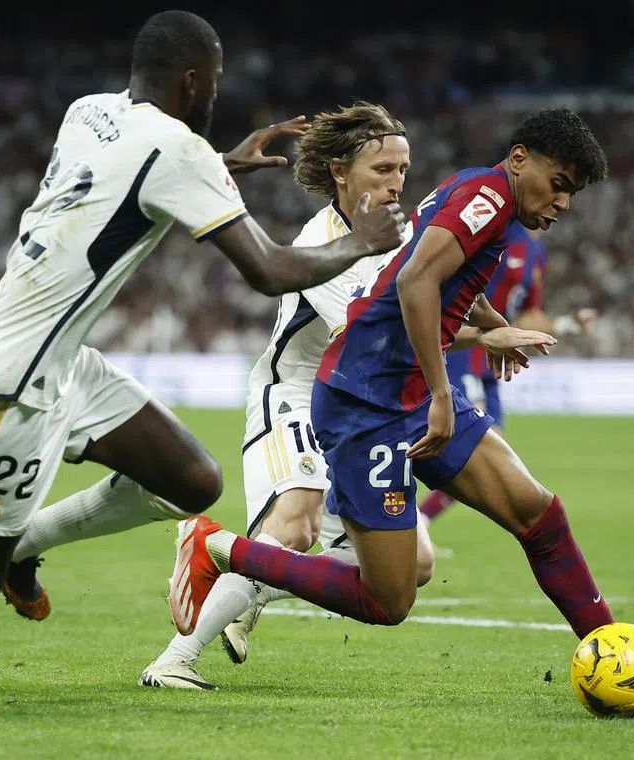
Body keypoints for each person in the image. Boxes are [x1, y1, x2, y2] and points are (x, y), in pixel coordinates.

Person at [0, 10, 406, 710]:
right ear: (193, 80)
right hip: (4, 384)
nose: (218, 95)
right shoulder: (177, 152)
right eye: (216, 82)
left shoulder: (89, 112)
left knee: (190, 481)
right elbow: (270, 269)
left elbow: (123, 180)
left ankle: (24, 546)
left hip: (65, 361)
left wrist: (218, 170)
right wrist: (361, 241)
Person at [169, 107, 634, 702]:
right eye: (558, 184)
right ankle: (220, 547)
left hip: (401, 390)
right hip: (365, 403)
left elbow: (444, 273)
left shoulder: (485, 200)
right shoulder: (485, 195)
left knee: (537, 514)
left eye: (572, 193)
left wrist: (493, 327)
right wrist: (440, 393)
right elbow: (416, 283)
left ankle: (620, 660)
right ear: (519, 159)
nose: (563, 203)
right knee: (389, 600)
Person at [138, 102, 483, 689]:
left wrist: (485, 324)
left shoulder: (403, 236)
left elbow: (437, 294)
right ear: (341, 173)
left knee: (417, 565)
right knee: (294, 523)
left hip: (357, 413)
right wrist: (486, 334)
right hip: (293, 396)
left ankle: (254, 584)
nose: (397, 182)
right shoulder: (323, 243)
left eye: (403, 168)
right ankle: (174, 660)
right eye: (382, 170)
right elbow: (380, 329)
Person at [418, 222, 596, 521]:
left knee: (487, 457)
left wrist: (567, 324)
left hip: (490, 360)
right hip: (463, 351)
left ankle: (418, 524)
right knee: (474, 453)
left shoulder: (536, 251)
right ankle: (403, 523)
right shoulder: (500, 233)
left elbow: (528, 314)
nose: (560, 204)